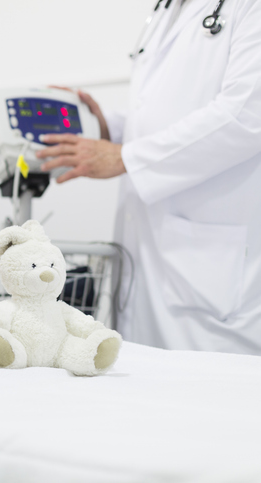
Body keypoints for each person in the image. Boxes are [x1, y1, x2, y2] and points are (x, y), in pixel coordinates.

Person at [36, 0, 261, 354]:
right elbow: (165, 112)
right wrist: (109, 127)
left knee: (210, 394)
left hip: (209, 272)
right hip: (150, 252)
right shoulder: (167, 9)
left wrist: (126, 157)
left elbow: (246, 114)